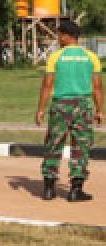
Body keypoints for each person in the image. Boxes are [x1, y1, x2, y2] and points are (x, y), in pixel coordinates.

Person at [36, 18, 103, 202]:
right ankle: (75, 190)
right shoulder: (91, 57)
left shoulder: (56, 57)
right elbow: (97, 87)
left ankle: (49, 189)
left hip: (60, 105)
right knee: (81, 147)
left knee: (54, 144)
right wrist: (99, 110)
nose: (57, 38)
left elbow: (47, 86)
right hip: (83, 106)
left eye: (59, 34)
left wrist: (41, 109)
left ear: (66, 36)